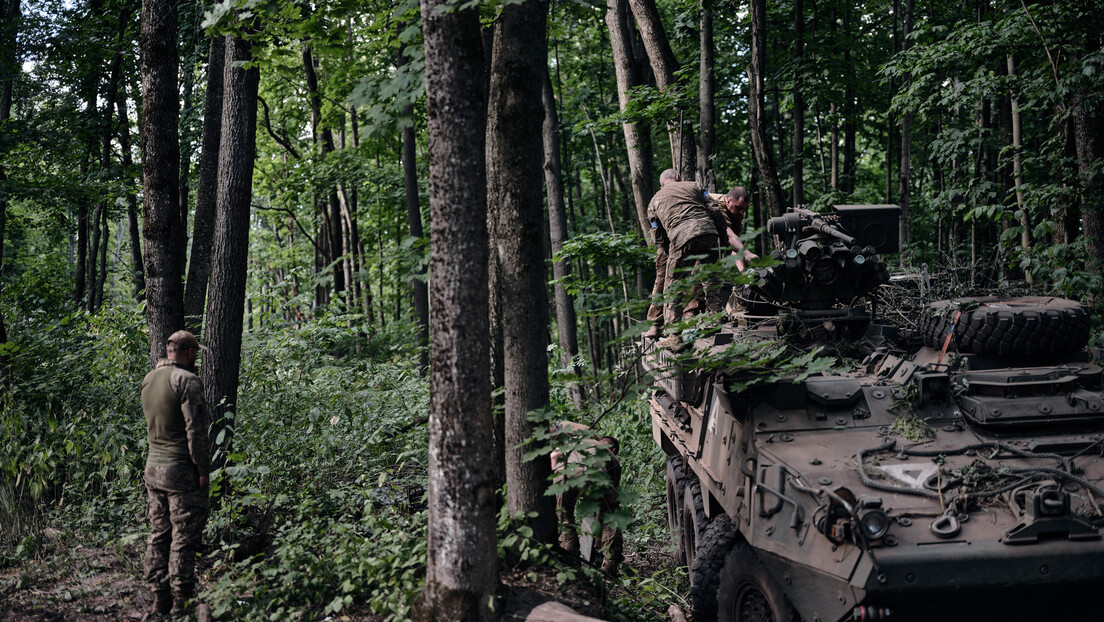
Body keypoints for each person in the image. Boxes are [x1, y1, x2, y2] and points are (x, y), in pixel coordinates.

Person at [141, 330, 211, 618]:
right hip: (180, 471)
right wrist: (203, 469)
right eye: (196, 353)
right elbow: (196, 431)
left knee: (159, 534)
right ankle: (182, 602)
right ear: (190, 353)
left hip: (153, 470)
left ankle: (159, 600)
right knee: (182, 537)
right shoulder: (187, 381)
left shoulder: (149, 379)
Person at [644, 169, 722, 337]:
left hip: (681, 237)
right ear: (677, 177)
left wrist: (668, 250)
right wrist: (723, 238)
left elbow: (656, 233)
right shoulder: (696, 186)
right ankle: (716, 320)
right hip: (709, 233)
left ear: (662, 184)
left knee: (673, 287)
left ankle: (674, 336)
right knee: (711, 279)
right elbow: (715, 209)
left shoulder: (654, 201)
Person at [550, 423, 623, 576]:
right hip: (595, 473)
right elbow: (606, 506)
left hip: (564, 474)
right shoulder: (613, 460)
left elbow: (554, 456)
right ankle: (609, 568)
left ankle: (572, 565)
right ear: (614, 450)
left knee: (564, 519)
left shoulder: (573, 442)